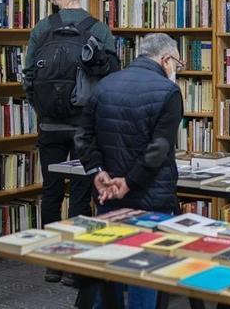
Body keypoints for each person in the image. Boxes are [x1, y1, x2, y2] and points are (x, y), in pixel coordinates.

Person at [22, 0, 119, 285]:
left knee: (51, 190)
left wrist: (41, 110)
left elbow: (28, 77)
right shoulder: (98, 28)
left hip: (49, 124)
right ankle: (76, 265)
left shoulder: (41, 29)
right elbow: (111, 77)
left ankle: (52, 262)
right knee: (81, 191)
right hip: (84, 127)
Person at [75, 32, 184, 309]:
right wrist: (131, 181)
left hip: (108, 195)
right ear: (166, 60)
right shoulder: (168, 92)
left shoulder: (104, 85)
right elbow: (158, 149)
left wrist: (97, 171)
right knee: (144, 271)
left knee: (109, 267)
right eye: (178, 65)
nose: (176, 71)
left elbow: (84, 136)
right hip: (151, 196)